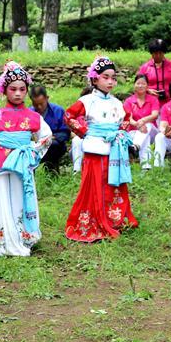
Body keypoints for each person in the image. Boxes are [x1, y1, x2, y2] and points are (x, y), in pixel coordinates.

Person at [0, 62, 53, 256]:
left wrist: (31, 150)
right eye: (12, 89)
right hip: (1, 163)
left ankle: (22, 236)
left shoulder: (33, 116)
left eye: (22, 89)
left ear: (27, 91)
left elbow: (46, 136)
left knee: (21, 196)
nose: (17, 93)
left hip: (22, 163)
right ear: (4, 90)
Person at [64, 56, 138, 242]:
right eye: (106, 77)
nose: (111, 81)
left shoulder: (117, 103)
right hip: (95, 149)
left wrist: (120, 133)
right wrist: (86, 131)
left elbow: (127, 118)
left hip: (114, 149)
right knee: (96, 184)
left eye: (113, 78)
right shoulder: (87, 100)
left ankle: (114, 218)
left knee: (114, 184)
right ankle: (95, 219)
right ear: (95, 79)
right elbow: (69, 116)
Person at [29, 84, 70, 171]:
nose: (39, 107)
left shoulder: (58, 111)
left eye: (41, 104)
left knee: (54, 145)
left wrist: (52, 137)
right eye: (35, 105)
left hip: (54, 145)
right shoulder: (29, 113)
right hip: (35, 145)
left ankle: (52, 171)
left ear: (47, 98)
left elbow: (66, 133)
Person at [123, 74, 160, 170]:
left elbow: (155, 115)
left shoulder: (153, 100)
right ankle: (146, 167)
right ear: (134, 85)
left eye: (143, 84)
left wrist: (142, 121)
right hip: (134, 132)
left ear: (147, 86)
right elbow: (128, 118)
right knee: (145, 137)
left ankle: (134, 147)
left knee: (148, 126)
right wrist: (136, 124)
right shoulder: (129, 101)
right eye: (138, 83)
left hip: (152, 132)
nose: (140, 86)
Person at [139, 38, 171, 102]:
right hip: (150, 103)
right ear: (151, 53)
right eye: (155, 53)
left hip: (170, 102)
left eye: (161, 53)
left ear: (164, 52)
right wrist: (148, 90)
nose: (158, 56)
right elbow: (138, 85)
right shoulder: (145, 68)